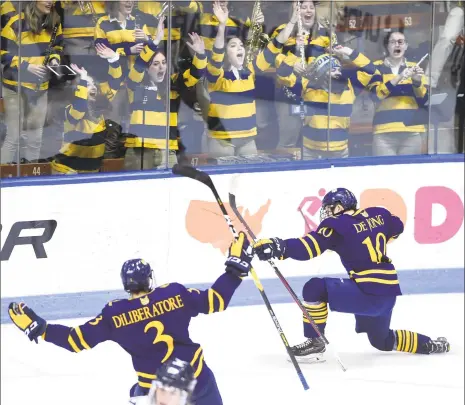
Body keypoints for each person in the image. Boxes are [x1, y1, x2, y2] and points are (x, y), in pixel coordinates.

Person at [8, 232, 254, 405]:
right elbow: (216, 300)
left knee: (138, 393)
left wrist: (41, 329)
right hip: (195, 374)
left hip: (155, 388)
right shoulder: (174, 293)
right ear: (149, 279)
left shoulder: (114, 314)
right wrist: (234, 269)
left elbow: (75, 341)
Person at [253, 188, 450, 363]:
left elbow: (309, 248)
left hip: (368, 292)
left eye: (329, 208)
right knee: (382, 340)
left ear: (340, 206)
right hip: (388, 294)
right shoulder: (379, 214)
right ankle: (429, 344)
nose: (327, 213)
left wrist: (280, 247)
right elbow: (397, 227)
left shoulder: (338, 225)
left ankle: (315, 342)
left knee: (313, 288)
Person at [368, 31, 429, 157]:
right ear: (387, 46)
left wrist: (417, 82)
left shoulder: (415, 67)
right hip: (384, 132)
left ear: (406, 46)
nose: (397, 45)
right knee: (384, 174)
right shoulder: (375, 67)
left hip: (412, 131)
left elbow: (424, 101)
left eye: (401, 42)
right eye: (393, 42)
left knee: (409, 175)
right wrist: (399, 77)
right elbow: (376, 96)